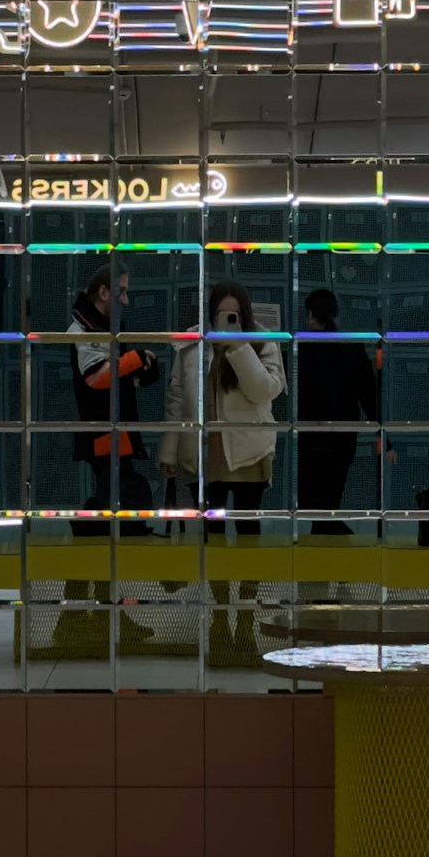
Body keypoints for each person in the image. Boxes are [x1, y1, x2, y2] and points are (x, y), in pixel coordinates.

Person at [158, 280, 285, 664]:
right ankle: (218, 617)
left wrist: (238, 347)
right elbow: (177, 396)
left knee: (247, 537)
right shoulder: (191, 344)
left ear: (244, 314)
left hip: (249, 451)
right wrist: (169, 449)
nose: (227, 320)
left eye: (234, 314)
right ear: (209, 313)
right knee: (211, 537)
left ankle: (244, 618)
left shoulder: (262, 341)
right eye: (220, 314)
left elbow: (267, 391)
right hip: (204, 454)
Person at [62, 263, 161, 653]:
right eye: (120, 291)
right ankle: (89, 617)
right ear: (103, 292)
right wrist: (134, 359)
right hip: (104, 438)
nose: (126, 299)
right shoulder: (82, 330)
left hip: (114, 436)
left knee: (107, 521)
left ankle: (95, 615)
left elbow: (116, 378)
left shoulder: (102, 329)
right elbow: (97, 378)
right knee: (115, 514)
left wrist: (142, 370)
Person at [293, 286, 383, 534]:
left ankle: (329, 543)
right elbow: (368, 394)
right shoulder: (351, 346)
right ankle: (331, 543)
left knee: (315, 503)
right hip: (343, 435)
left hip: (310, 434)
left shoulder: (302, 348)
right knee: (330, 498)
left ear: (310, 314)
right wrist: (384, 436)